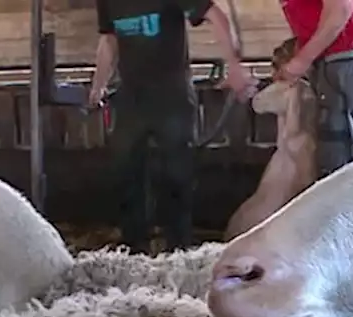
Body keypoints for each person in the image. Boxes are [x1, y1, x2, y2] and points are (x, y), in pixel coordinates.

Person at [89, 0, 255, 255]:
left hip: (172, 95)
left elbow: (215, 15)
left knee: (178, 174)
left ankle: (178, 250)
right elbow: (109, 39)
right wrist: (98, 86)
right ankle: (135, 250)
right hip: (131, 96)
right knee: (125, 172)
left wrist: (233, 65)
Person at [272, 0, 353, 177]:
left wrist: (301, 60)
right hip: (327, 63)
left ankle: (343, 201)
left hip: (343, 60)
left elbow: (342, 8)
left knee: (338, 153)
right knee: (327, 151)